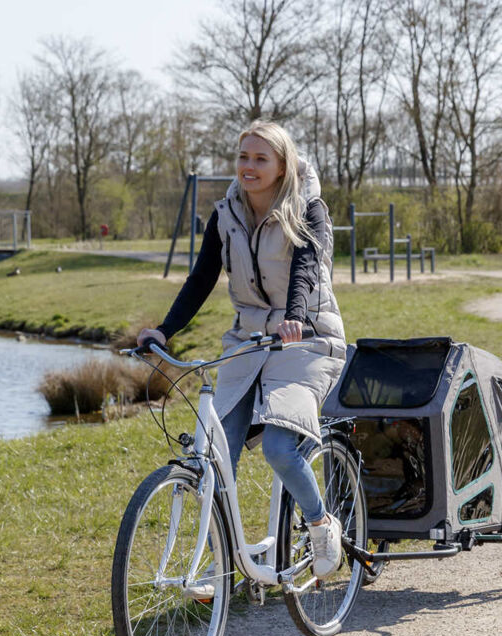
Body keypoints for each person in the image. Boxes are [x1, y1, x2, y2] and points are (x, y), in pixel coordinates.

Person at [136, 120, 347, 578]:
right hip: (249, 338)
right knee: (216, 453)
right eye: (243, 158)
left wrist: (295, 316)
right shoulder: (226, 213)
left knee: (279, 448)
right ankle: (223, 562)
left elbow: (307, 270)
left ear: (281, 164)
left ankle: (320, 522)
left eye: (260, 159)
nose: (248, 167)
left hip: (305, 337)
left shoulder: (307, 208)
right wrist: (164, 330)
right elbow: (201, 278)